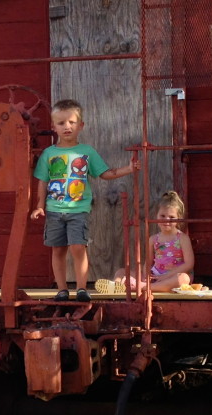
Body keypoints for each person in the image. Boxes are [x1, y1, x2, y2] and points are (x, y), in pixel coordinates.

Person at [30, 99, 139, 302]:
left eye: (71, 122)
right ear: (53, 127)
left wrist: (128, 169)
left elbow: (105, 173)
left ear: (81, 125)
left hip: (78, 210)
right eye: (61, 123)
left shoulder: (86, 152)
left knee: (78, 247)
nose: (67, 127)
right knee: (58, 249)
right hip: (54, 210)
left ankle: (81, 288)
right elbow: (43, 181)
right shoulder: (49, 154)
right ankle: (62, 289)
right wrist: (39, 206)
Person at [96, 191, 194, 293]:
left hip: (172, 276)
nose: (166, 220)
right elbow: (148, 262)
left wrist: (166, 276)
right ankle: (116, 286)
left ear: (179, 218)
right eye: (162, 216)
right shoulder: (153, 239)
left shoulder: (182, 238)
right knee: (122, 271)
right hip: (155, 276)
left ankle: (142, 287)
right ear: (156, 215)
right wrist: (146, 275)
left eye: (172, 217)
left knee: (184, 279)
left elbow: (189, 264)